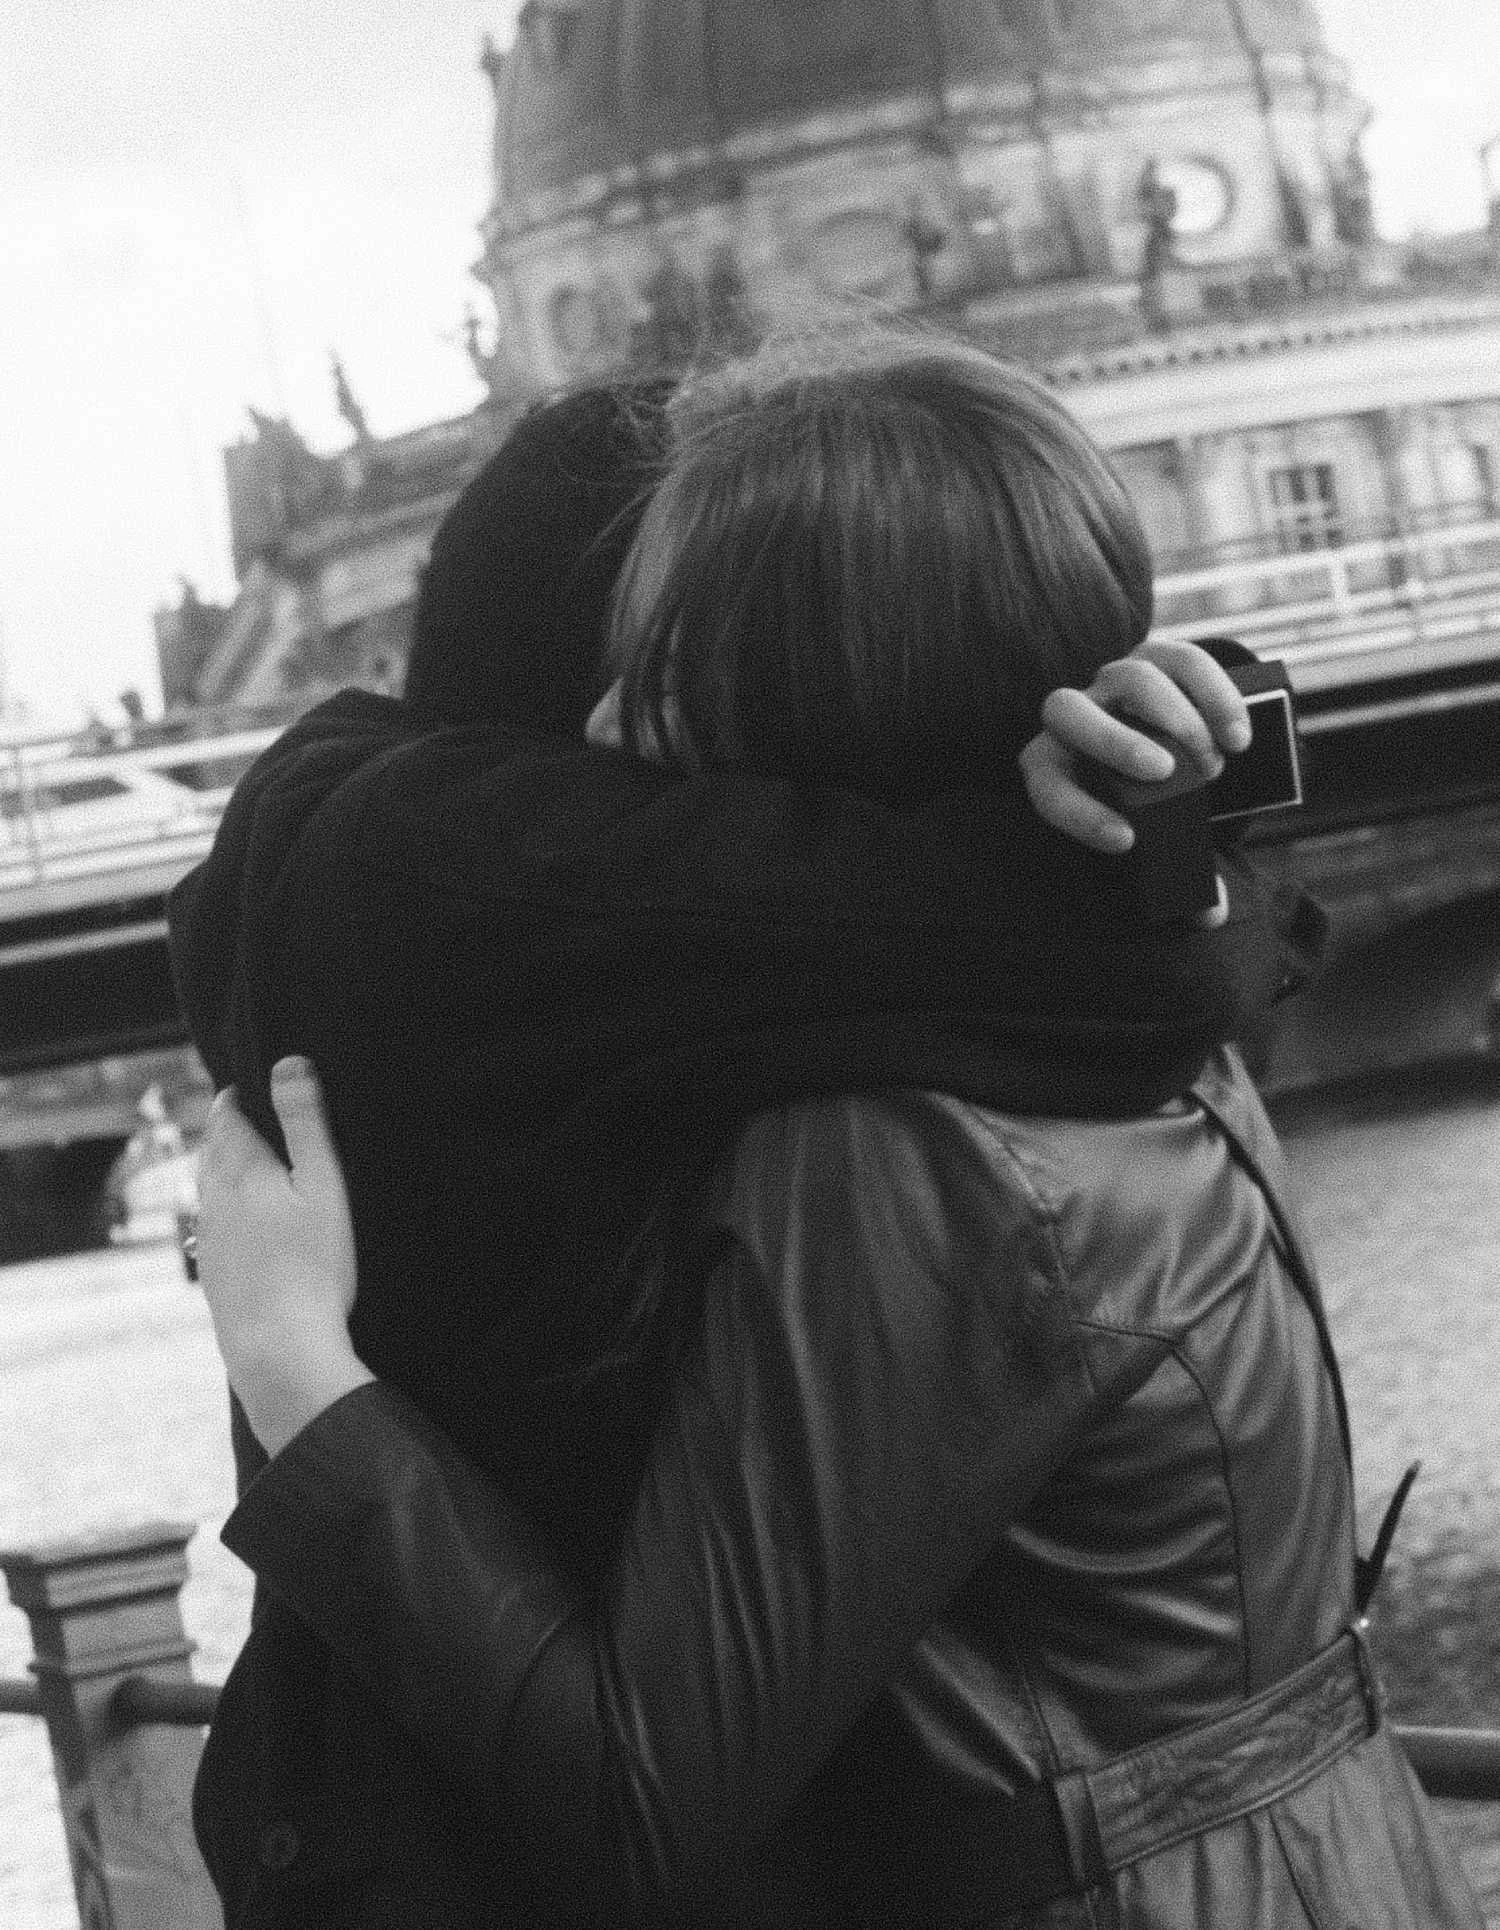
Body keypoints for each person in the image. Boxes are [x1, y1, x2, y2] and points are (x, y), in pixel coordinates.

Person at [191, 327, 1480, 1928]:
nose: (598, 730)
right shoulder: (1110, 1006)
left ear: (789, 688)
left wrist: (296, 1368)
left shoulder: (901, 1144)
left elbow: (636, 1787)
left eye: (657, 659)